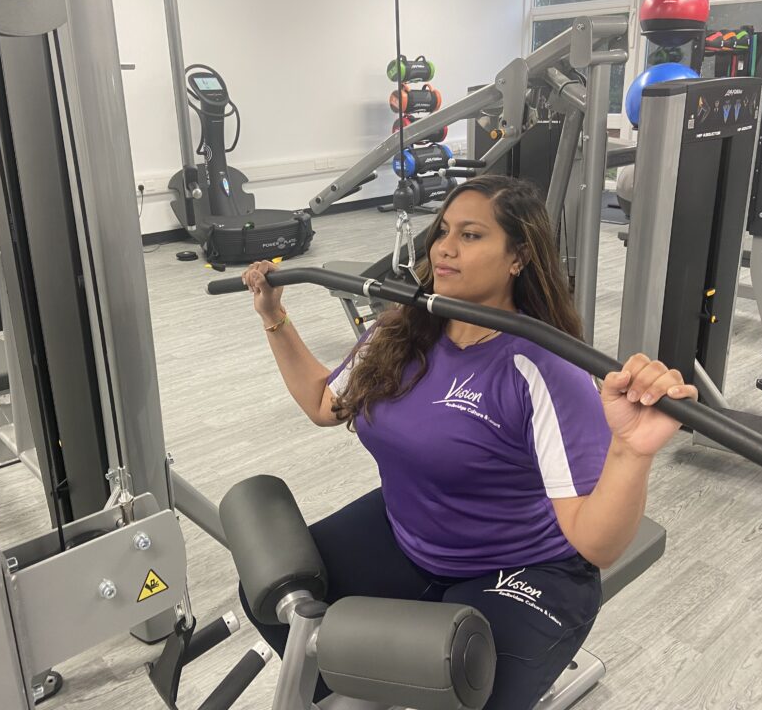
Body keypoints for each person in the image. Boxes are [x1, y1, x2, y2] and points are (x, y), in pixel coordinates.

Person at [239, 174, 695, 709]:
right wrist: (274, 316)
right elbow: (323, 403)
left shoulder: (543, 365)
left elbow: (597, 544)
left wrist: (631, 450)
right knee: (275, 599)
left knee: (464, 688)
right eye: (443, 232)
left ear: (518, 257)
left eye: (472, 236)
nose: (445, 248)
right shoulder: (402, 331)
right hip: (410, 534)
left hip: (523, 566)